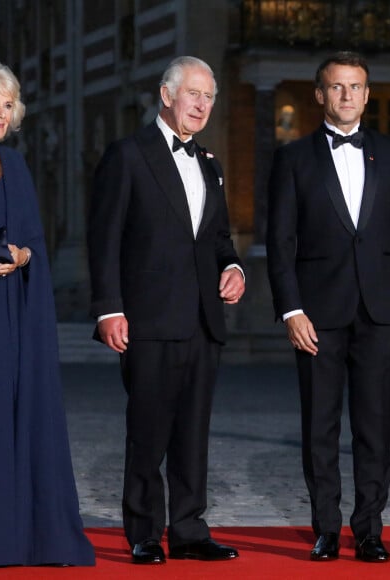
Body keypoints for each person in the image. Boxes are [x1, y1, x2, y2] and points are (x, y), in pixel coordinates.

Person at [266, 51, 390, 564]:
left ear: (368, 93)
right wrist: (291, 312)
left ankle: (370, 529)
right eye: (337, 87)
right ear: (320, 94)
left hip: (380, 311)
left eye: (356, 86)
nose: (347, 95)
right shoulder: (292, 158)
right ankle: (327, 529)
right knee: (320, 426)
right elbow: (280, 243)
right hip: (317, 316)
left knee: (375, 426)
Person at [88, 56, 245, 565]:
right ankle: (144, 532)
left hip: (203, 320)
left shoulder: (211, 165)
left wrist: (235, 268)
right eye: (193, 94)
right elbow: (104, 238)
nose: (201, 105)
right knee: (148, 429)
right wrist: (109, 309)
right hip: (149, 319)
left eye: (208, 97)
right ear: (166, 95)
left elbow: (219, 237)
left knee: (193, 433)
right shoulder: (128, 155)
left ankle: (190, 529)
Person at [0, 61, 95, 567]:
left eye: (7, 104)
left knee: (4, 414)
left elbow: (35, 240)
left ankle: (12, 536)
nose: (0, 113)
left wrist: (21, 256)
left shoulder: (15, 165)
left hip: (11, 314)